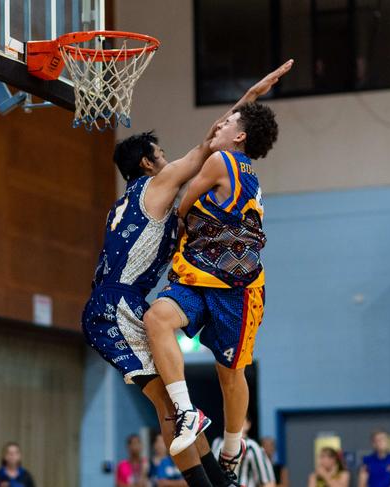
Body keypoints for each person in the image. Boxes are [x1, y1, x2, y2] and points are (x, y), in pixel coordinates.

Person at [82, 60, 294, 487]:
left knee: (171, 402)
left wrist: (249, 102)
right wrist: (247, 101)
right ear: (146, 163)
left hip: (118, 303)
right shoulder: (155, 188)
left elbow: (218, 141)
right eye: (161, 156)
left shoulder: (126, 202)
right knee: (167, 402)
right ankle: (206, 469)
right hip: (114, 309)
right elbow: (207, 145)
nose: (169, 160)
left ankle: (215, 475)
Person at [144, 60, 294, 480]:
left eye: (228, 122)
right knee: (158, 319)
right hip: (202, 276)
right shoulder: (235, 162)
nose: (218, 125)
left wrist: (174, 219)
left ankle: (232, 448)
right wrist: (252, 94)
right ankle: (188, 412)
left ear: (239, 136)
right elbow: (220, 130)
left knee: (232, 376)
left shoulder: (223, 164)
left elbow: (186, 203)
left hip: (238, 288)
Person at [212, 416, 275, 487]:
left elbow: (268, 482)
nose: (232, 422)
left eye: (238, 419)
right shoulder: (217, 442)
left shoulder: (252, 447)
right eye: (229, 419)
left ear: (248, 424)